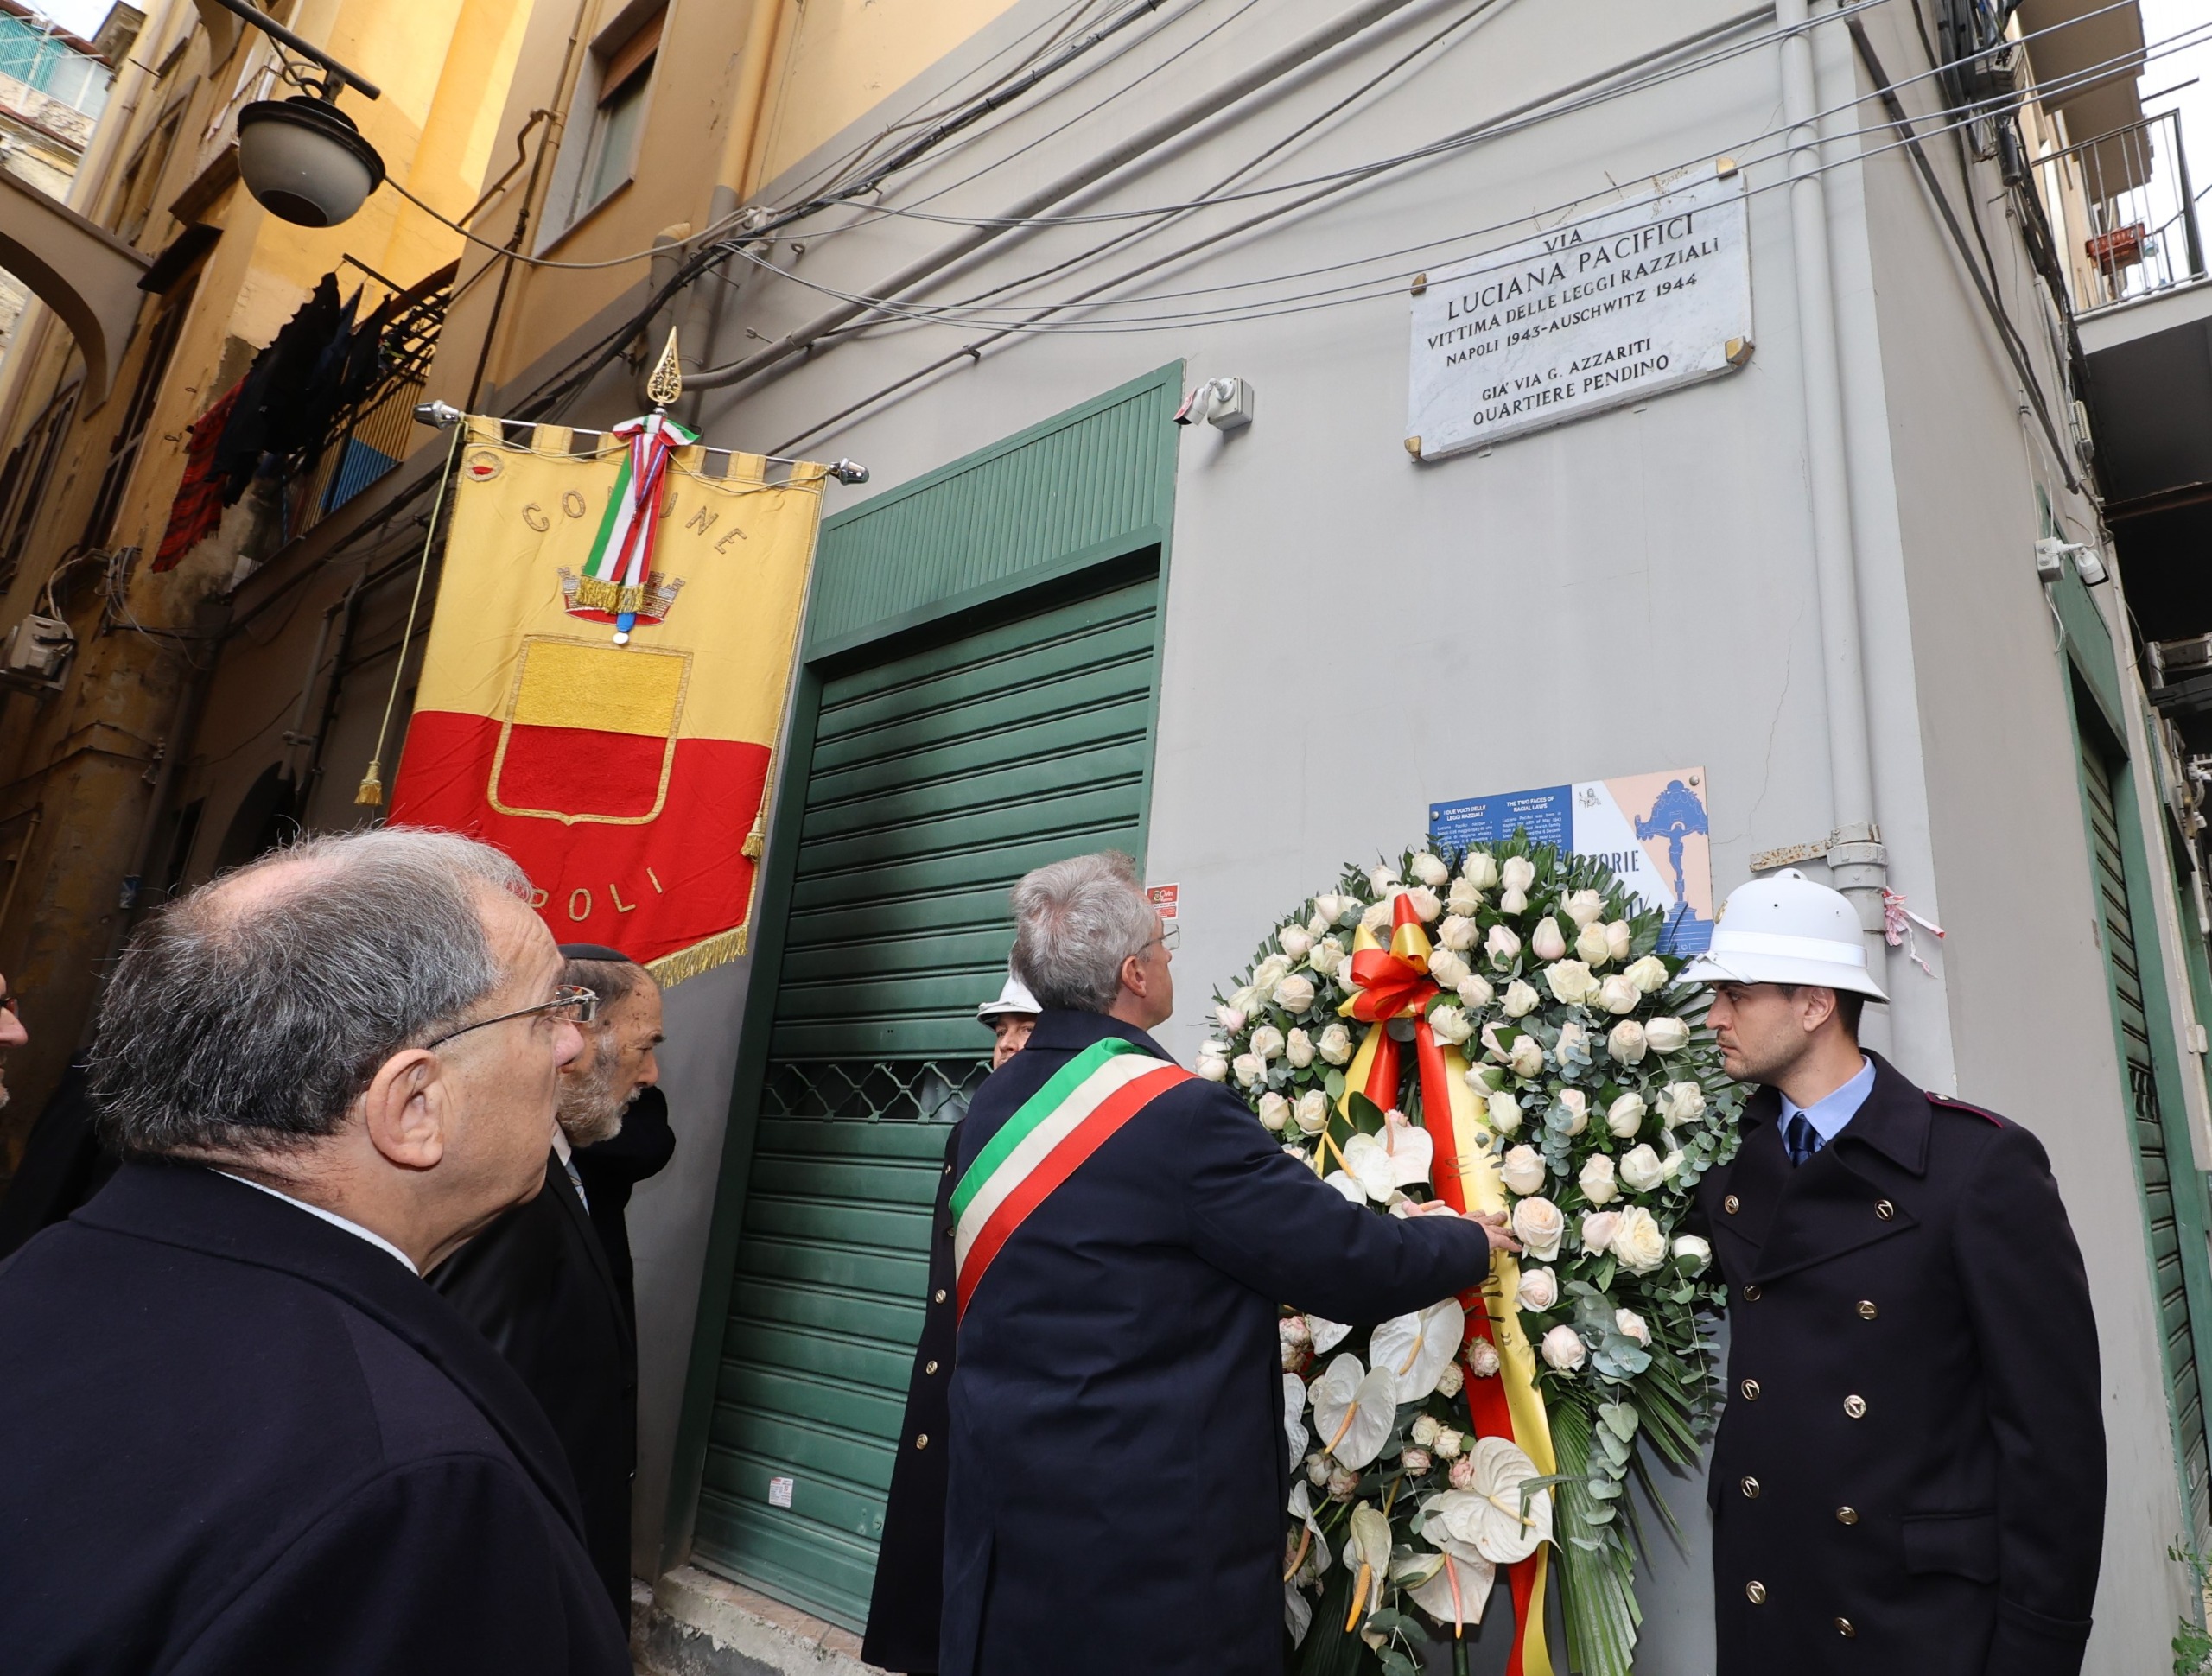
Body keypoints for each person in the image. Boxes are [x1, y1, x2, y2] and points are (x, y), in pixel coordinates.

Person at [0, 828, 629, 1675]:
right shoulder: (413, 1491)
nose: (572, 1044)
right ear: (413, 1105)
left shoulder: (37, 1278)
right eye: (545, 1011)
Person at [939, 852, 1515, 1676]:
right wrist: (1466, 1241)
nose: (1168, 955)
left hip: (1011, 1522)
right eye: (1162, 943)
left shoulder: (992, 1106)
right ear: (1135, 974)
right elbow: (1345, 1261)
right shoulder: (1176, 1115)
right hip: (1143, 1555)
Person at [1682, 868, 2103, 1676]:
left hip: (1915, 1622)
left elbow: (2054, 1444)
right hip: (1772, 1597)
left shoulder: (1977, 1167)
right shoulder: (1733, 1169)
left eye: (1736, 994)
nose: (1714, 1017)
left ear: (1815, 1005)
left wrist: (2038, 1650)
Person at [431, 941, 666, 1627]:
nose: (652, 1073)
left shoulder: (558, 1162)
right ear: (573, 1034)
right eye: (644, 1046)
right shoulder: (503, 1188)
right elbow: (479, 1406)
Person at [863, 971, 1040, 1673]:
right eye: (1001, 1031)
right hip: (948, 1371)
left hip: (1011, 1391)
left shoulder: (1077, 1137)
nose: (1007, 1045)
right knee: (926, 1575)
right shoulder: (971, 1129)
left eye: (1026, 1029)